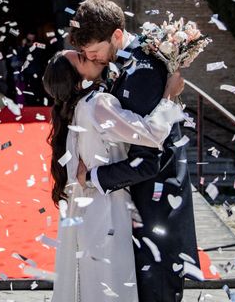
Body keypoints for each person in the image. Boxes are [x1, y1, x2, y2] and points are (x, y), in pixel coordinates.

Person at [69, 0, 199, 302]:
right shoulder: (128, 62)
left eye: (95, 51)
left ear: (116, 35)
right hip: (143, 209)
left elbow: (149, 159)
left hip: (156, 210)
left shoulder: (142, 70)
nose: (93, 59)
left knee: (156, 293)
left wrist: (94, 177)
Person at [43, 50, 186, 302]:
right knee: (113, 289)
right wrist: (168, 96)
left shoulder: (77, 107)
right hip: (107, 213)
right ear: (78, 81)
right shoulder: (98, 104)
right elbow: (150, 134)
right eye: (82, 58)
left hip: (90, 213)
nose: (90, 55)